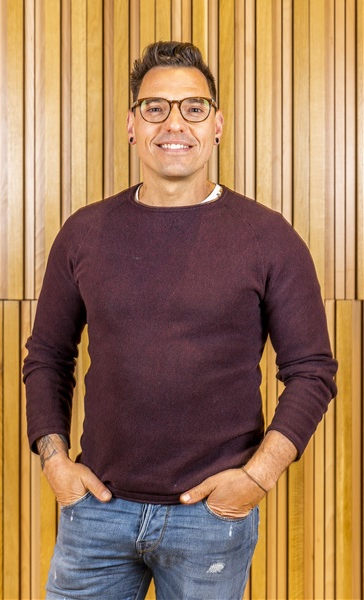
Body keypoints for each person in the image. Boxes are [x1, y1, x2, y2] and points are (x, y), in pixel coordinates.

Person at [23, 41, 337, 600]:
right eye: (155, 108)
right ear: (132, 125)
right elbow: (47, 356)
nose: (174, 123)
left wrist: (256, 478)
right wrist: (55, 462)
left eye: (194, 108)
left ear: (217, 125)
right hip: (96, 511)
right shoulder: (84, 233)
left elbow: (311, 371)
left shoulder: (268, 237)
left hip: (211, 519)